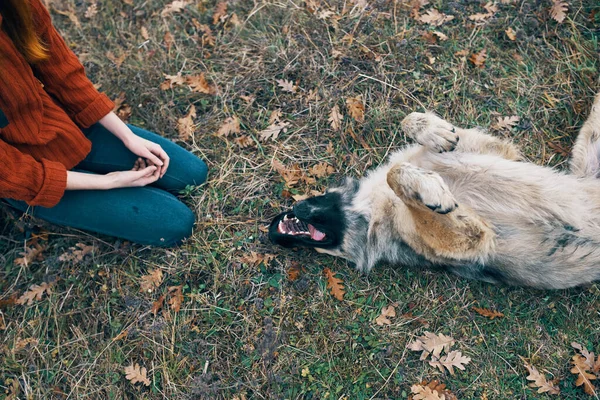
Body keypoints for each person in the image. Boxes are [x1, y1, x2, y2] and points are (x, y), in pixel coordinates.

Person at [0, 0, 207, 246]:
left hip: (66, 130)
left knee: (193, 173)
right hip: (25, 176)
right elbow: (11, 172)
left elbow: (62, 72)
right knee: (175, 222)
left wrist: (128, 137)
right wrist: (109, 181)